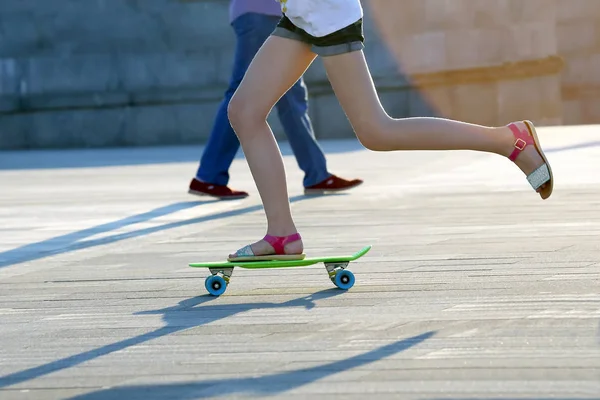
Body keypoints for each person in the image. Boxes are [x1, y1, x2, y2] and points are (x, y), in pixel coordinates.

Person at [226, 0, 554, 261]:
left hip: (325, 11)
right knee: (245, 112)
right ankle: (282, 233)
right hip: (302, 12)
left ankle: (509, 140)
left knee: (377, 132)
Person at [189, 0, 363, 200]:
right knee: (244, 94)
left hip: (277, 15)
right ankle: (209, 176)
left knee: (290, 94)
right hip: (260, 13)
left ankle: (316, 174)